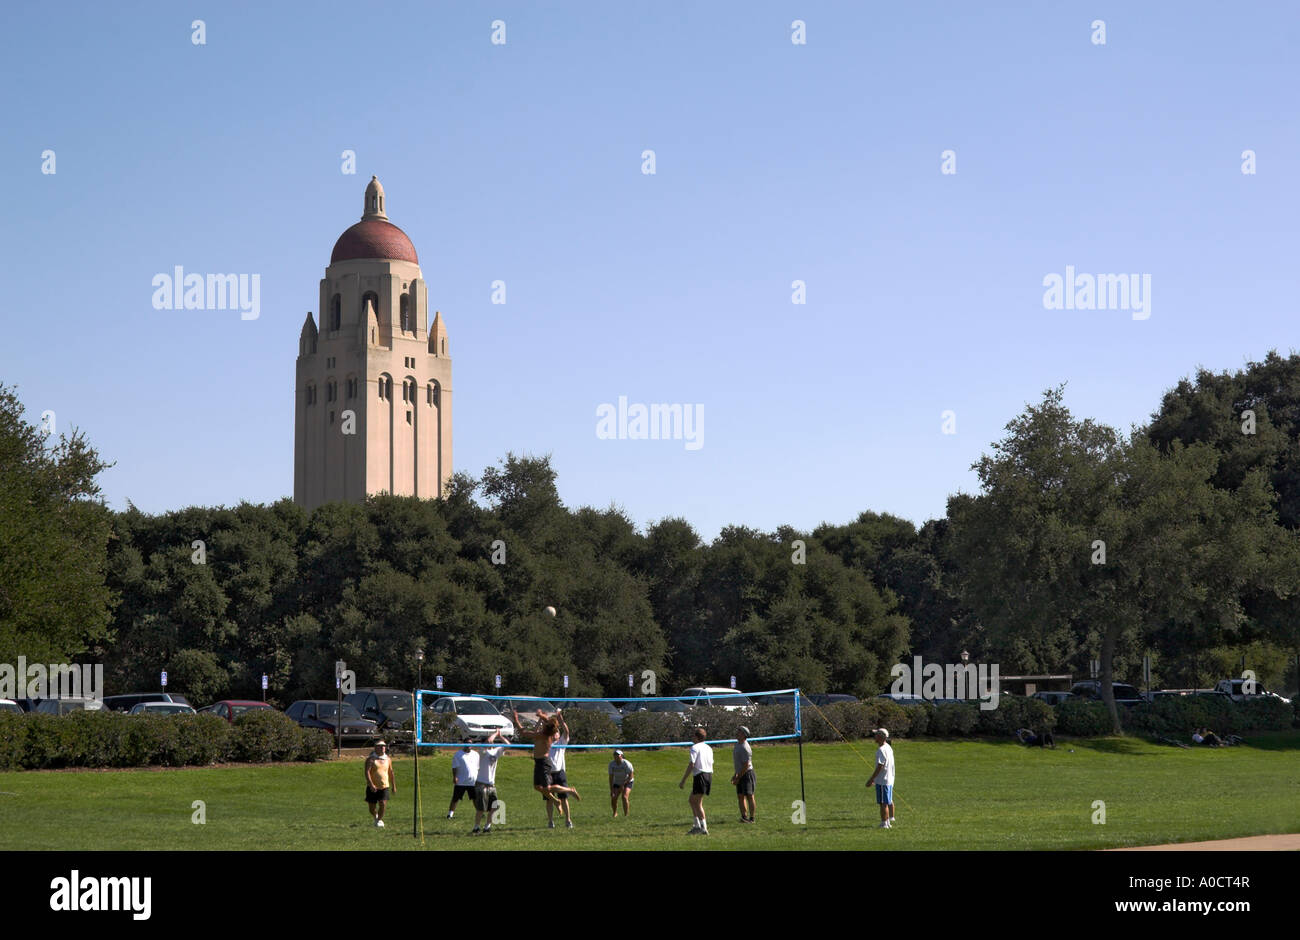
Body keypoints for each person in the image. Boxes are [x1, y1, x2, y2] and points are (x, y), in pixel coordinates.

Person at [512, 706, 581, 815]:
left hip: (544, 763)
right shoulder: (544, 734)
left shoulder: (544, 736)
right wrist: (541, 716)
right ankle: (555, 801)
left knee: (547, 788)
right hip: (538, 762)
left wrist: (516, 720)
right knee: (537, 787)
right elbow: (548, 723)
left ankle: (570, 791)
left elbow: (524, 733)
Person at [679, 727, 713, 835]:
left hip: (700, 776)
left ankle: (703, 828)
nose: (692, 737)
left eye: (693, 735)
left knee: (697, 803)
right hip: (708, 775)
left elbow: (692, 764)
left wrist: (683, 780)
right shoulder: (708, 748)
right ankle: (696, 825)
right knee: (692, 800)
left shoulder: (694, 747)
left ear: (697, 737)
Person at [471, 729, 506, 835]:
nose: (492, 741)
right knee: (481, 809)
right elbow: (488, 741)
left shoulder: (496, 751)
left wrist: (501, 736)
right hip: (481, 784)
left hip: (491, 784)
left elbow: (509, 745)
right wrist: (496, 733)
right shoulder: (482, 750)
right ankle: (476, 827)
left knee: (494, 807)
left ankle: (487, 827)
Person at [546, 709, 575, 829]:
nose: (555, 734)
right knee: (549, 799)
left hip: (559, 773)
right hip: (548, 774)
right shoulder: (546, 743)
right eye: (553, 733)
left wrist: (559, 717)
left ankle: (568, 820)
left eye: (557, 733)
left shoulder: (561, 743)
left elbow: (566, 730)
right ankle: (550, 821)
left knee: (563, 799)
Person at [864, 727, 895, 829]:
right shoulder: (888, 747)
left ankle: (884, 823)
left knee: (883, 803)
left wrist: (872, 779)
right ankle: (888, 822)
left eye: (876, 735)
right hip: (889, 779)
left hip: (883, 781)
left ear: (881, 737)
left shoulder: (881, 750)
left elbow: (880, 766)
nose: (874, 737)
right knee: (886, 802)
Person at [364, 739, 396, 828]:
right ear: (375, 748)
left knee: (383, 803)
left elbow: (391, 772)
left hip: (384, 786)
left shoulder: (388, 759)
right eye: (380, 746)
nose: (382, 748)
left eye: (384, 746)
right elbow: (367, 772)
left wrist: (394, 786)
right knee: (372, 808)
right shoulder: (371, 759)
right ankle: (376, 816)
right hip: (373, 787)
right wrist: (371, 784)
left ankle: (379, 820)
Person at [448, 738, 479, 819]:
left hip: (472, 782)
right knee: (455, 798)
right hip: (461, 781)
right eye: (467, 743)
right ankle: (450, 814)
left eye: (470, 743)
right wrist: (455, 777)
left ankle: (479, 813)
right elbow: (454, 767)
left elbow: (477, 767)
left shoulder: (476, 754)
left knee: (475, 798)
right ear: (464, 744)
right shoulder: (458, 754)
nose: (469, 745)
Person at [731, 725, 756, 823]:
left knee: (749, 796)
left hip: (747, 774)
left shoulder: (745, 747)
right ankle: (744, 817)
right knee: (740, 796)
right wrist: (735, 774)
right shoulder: (737, 745)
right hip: (740, 773)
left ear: (744, 735)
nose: (737, 733)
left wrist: (738, 776)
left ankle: (752, 818)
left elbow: (746, 765)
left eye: (739, 732)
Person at [608, 749, 635, 817]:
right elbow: (611, 777)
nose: (616, 756)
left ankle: (626, 815)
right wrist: (611, 790)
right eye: (615, 755)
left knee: (624, 796)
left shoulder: (627, 764)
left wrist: (623, 785)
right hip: (617, 782)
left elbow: (631, 776)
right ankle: (615, 813)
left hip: (627, 782)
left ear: (621, 756)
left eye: (617, 755)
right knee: (614, 797)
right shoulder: (611, 764)